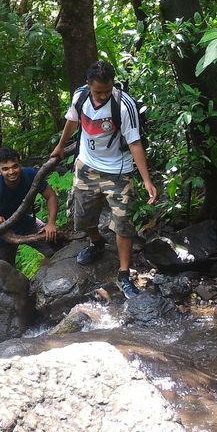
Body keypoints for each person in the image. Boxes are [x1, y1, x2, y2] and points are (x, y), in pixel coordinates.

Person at [50, 60, 158, 299]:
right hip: (86, 166)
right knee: (83, 217)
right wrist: (60, 147)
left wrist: (146, 180)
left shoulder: (123, 106)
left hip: (118, 171)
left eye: (107, 91)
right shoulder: (80, 97)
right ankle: (97, 243)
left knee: (123, 223)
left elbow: (135, 142)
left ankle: (123, 274)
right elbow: (71, 121)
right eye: (98, 92)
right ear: (89, 86)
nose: (102, 96)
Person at [0, 147, 59, 265]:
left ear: (20, 165)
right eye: (5, 169)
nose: (11, 172)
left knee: (55, 251)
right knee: (3, 270)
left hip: (25, 222)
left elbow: (51, 196)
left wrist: (51, 223)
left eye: (15, 166)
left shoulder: (30, 175)